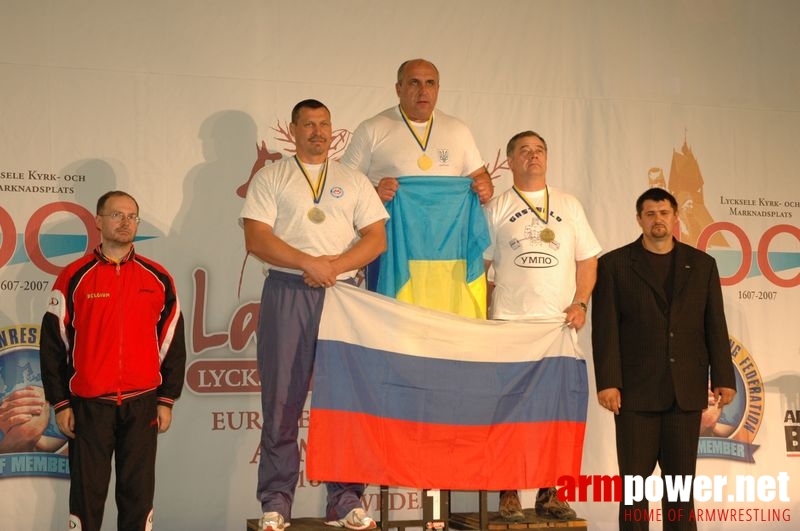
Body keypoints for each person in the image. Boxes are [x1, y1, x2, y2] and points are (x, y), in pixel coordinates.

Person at [240, 99, 388, 531]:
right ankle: (276, 501)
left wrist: (333, 268)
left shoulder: (353, 179)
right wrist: (310, 263)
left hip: (343, 296)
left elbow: (376, 238)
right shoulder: (272, 176)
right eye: (308, 124)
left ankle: (346, 500)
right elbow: (256, 239)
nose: (318, 132)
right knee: (282, 401)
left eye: (324, 124)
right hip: (288, 292)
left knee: (344, 403)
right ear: (293, 130)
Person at [39, 190, 186, 531]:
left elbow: (172, 343)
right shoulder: (73, 277)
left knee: (138, 496)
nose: (125, 222)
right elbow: (52, 346)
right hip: (90, 406)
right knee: (87, 498)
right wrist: (61, 403)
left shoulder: (158, 277)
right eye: (117, 215)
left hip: (142, 405)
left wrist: (166, 399)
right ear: (98, 220)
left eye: (132, 216)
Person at [591, 187, 736, 531]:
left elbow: (714, 324)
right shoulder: (614, 265)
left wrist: (725, 377)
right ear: (639, 218)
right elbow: (605, 330)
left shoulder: (702, 265)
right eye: (650, 213)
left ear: (675, 217)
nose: (658, 219)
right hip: (634, 394)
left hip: (684, 392)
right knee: (635, 489)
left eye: (664, 212)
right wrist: (608, 381)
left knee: (680, 490)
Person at [483, 131, 600, 521]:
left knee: (557, 413)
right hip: (510, 323)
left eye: (539, 151)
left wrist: (581, 301)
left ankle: (551, 493)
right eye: (524, 151)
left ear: (546, 159)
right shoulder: (496, 206)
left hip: (558, 326)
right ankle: (509, 493)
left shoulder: (569, 204)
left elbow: (587, 260)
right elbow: (481, 267)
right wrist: (483, 314)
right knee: (510, 411)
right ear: (511, 161)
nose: (532, 157)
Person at [341, 58, 493, 204]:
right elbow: (344, 183)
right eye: (414, 83)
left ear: (438, 89)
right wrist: (375, 193)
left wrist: (485, 187)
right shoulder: (372, 128)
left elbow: (479, 175)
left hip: (446, 229)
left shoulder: (458, 129)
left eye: (430, 83)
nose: (423, 91)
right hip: (391, 229)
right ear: (398, 89)